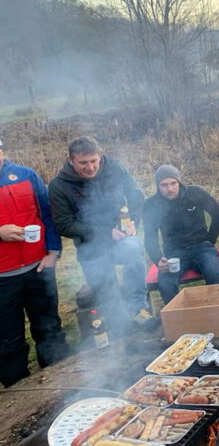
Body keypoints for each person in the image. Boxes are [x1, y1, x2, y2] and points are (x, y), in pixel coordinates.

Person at [48, 136, 154, 331]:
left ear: (100, 156)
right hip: (90, 247)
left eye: (93, 161)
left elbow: (136, 196)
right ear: (71, 160)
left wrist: (133, 221)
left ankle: (138, 309)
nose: (90, 168)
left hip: (121, 239)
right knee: (108, 295)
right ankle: (120, 325)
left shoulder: (115, 168)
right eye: (83, 163)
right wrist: (106, 233)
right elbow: (64, 224)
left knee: (133, 250)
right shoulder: (59, 185)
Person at [0, 137, 70, 387]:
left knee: (50, 329)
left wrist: (53, 251)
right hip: (3, 277)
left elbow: (48, 214)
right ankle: (19, 394)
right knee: (8, 340)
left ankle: (61, 383)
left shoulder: (26, 175)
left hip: (39, 267)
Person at [142, 164, 219, 304]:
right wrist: (157, 258)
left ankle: (217, 309)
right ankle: (178, 315)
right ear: (157, 186)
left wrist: (210, 240)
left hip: (202, 247)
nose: (169, 189)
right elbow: (150, 236)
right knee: (166, 285)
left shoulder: (196, 193)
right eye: (164, 185)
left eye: (173, 183)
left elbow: (218, 214)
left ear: (179, 181)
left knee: (214, 274)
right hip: (173, 254)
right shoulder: (151, 205)